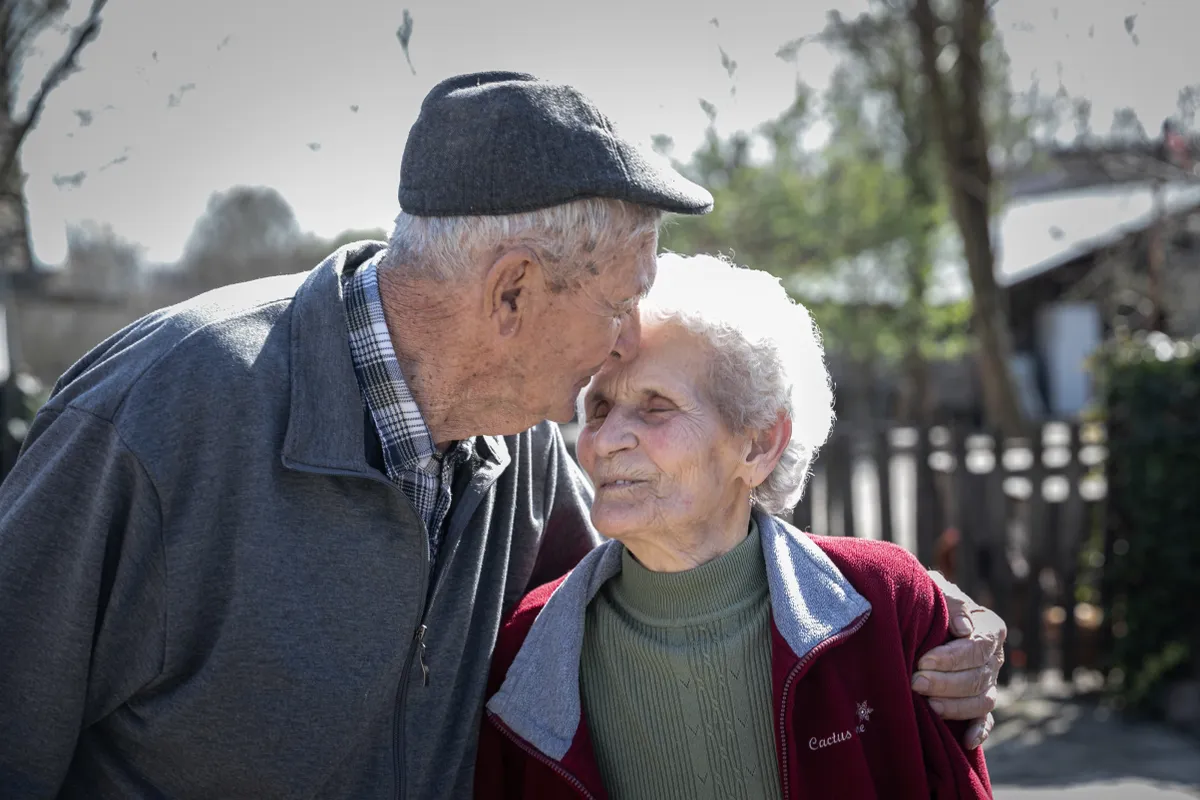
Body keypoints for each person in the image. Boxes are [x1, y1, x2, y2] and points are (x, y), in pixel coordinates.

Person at [0, 72, 1002, 800]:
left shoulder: (512, 442)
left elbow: (669, 561)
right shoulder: (156, 416)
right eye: (621, 304)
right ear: (513, 290)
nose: (625, 344)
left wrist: (929, 613)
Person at [476, 253, 992, 799]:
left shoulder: (886, 603)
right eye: (599, 408)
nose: (605, 441)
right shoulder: (527, 650)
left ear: (758, 443)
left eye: (656, 408)